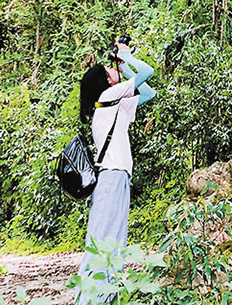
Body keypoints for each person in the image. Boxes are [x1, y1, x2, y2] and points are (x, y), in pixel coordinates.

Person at [76, 38, 156, 298]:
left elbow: (148, 92)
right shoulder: (108, 97)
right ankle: (90, 298)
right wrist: (126, 55)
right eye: (108, 70)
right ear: (105, 82)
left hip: (116, 177)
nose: (112, 69)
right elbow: (148, 72)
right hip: (111, 177)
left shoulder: (114, 104)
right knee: (104, 240)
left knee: (112, 240)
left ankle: (104, 296)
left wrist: (123, 65)